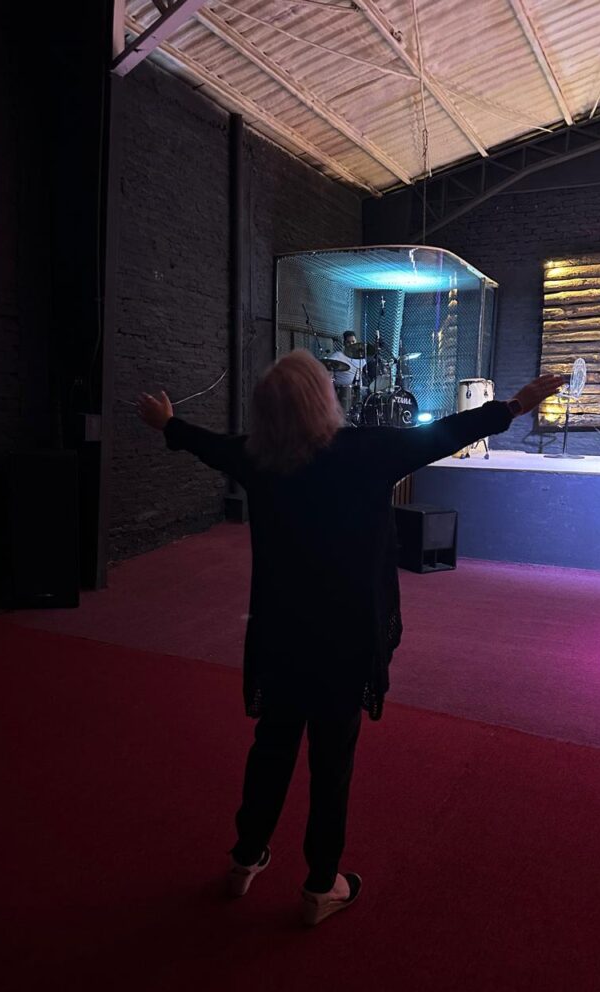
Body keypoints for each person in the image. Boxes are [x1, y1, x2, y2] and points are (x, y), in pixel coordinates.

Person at [137, 353, 564, 926]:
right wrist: (514, 405)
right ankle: (320, 885)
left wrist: (168, 423)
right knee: (331, 761)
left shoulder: (256, 458)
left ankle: (245, 858)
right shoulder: (367, 451)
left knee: (272, 747)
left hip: (282, 634)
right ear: (325, 398)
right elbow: (447, 433)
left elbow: (207, 444)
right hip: (344, 637)